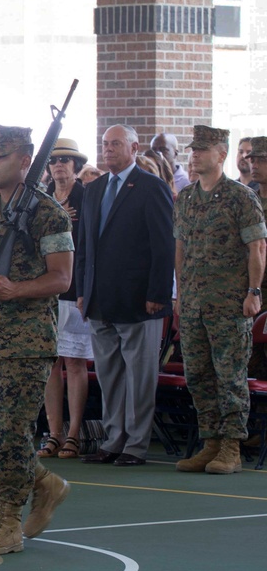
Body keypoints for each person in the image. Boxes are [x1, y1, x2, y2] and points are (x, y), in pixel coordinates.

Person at [0, 124, 73, 555]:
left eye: (1, 157)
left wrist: (17, 289)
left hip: (27, 339)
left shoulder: (49, 213)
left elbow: (61, 277)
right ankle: (44, 482)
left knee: (12, 432)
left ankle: (8, 522)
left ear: (26, 160)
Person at [77, 125, 174, 467]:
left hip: (139, 298)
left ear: (134, 148)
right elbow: (85, 245)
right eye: (104, 144)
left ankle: (135, 444)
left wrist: (158, 293)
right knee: (109, 374)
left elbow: (164, 246)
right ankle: (113, 439)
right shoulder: (94, 188)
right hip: (100, 297)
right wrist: (81, 291)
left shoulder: (151, 188)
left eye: (116, 144)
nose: (108, 150)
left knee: (139, 375)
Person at [173, 125, 266, 474]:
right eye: (192, 150)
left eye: (202, 150)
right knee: (198, 374)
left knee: (230, 375)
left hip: (229, 303)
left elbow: (257, 247)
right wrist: (180, 295)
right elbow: (180, 248)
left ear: (221, 154)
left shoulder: (241, 197)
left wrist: (253, 292)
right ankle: (210, 440)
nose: (194, 156)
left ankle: (231, 446)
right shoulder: (186, 198)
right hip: (195, 301)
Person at [38, 139, 92, 460]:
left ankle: (74, 434)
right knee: (50, 361)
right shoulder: (42, 197)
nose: (58, 165)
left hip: (74, 290)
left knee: (74, 361)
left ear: (76, 166)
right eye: (54, 160)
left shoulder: (87, 198)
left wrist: (87, 290)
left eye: (65, 160)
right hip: (45, 289)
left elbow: (90, 249)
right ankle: (53, 433)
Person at [245, 136, 267, 380]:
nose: (255, 165)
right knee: (251, 365)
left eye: (262, 160)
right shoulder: (245, 198)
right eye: (252, 159)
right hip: (251, 290)